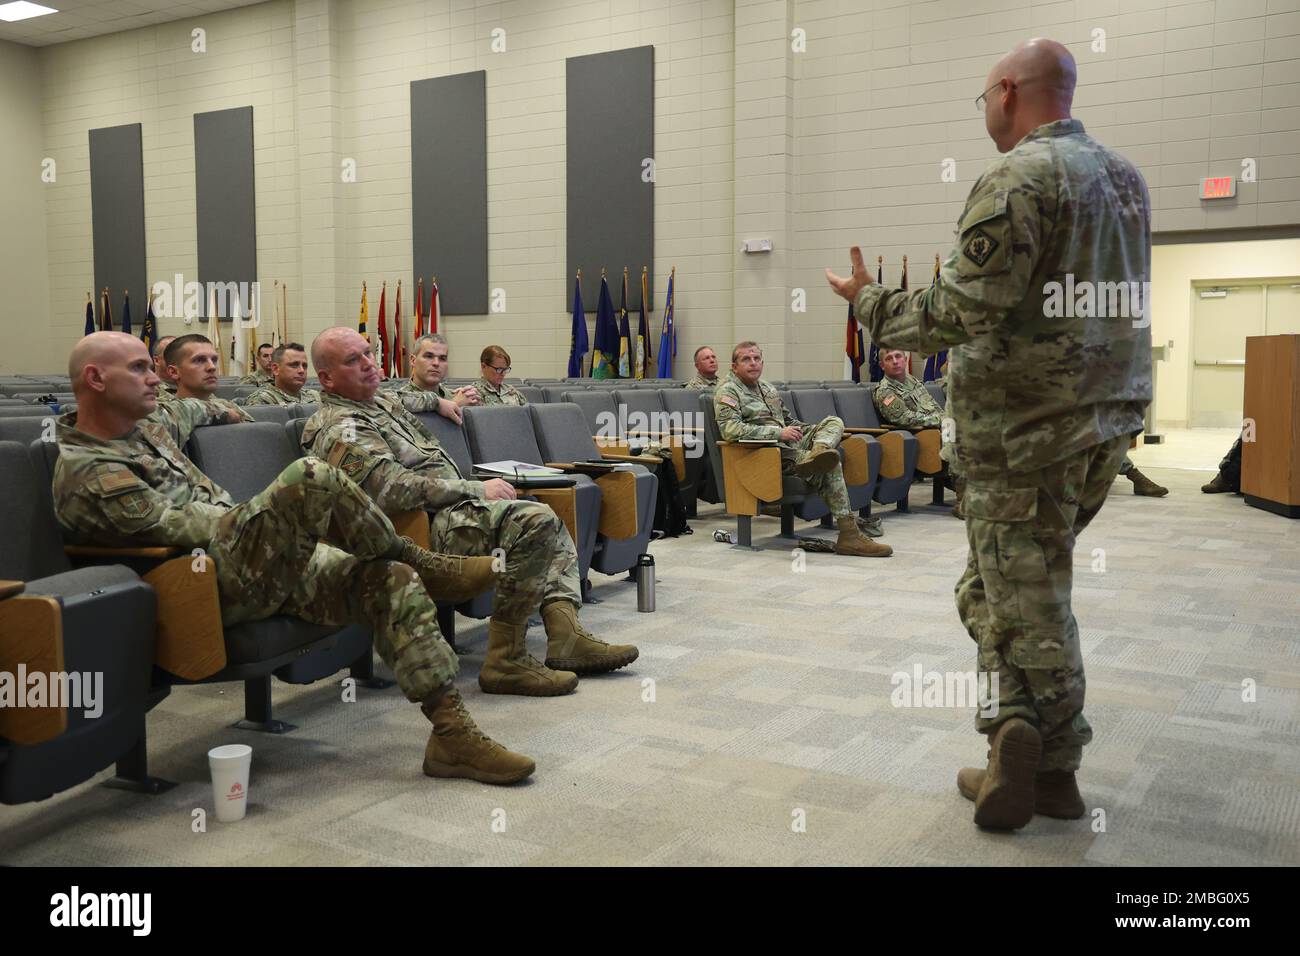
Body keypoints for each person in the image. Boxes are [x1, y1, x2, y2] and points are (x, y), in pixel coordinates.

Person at [826, 38, 1152, 829]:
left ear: (1007, 91)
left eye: (983, 100)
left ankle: (1056, 768)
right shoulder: (1125, 180)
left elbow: (959, 311)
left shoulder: (1018, 178)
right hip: (1103, 422)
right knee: (995, 588)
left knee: (1033, 600)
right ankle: (1013, 736)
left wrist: (869, 302)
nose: (986, 114)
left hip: (1026, 432)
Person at [53, 332, 533, 785]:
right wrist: (267, 511)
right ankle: (430, 564)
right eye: (139, 369)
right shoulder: (89, 472)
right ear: (95, 379)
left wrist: (227, 411)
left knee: (391, 577)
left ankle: (451, 736)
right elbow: (191, 529)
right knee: (308, 477)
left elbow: (195, 407)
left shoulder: (148, 428)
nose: (156, 377)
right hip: (198, 589)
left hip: (248, 566)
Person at [302, 327, 639, 697]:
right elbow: (391, 489)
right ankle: (506, 661)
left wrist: (442, 403)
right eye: (354, 360)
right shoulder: (342, 427)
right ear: (327, 378)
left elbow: (418, 399)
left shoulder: (380, 404)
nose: (369, 363)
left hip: (446, 507)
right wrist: (475, 488)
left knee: (542, 512)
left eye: (368, 353)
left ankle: (565, 635)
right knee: (532, 521)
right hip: (417, 528)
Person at [713, 342, 892, 558]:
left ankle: (819, 451)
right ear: (734, 366)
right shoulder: (727, 390)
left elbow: (788, 421)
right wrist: (779, 434)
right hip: (763, 454)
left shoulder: (767, 388)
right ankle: (849, 534)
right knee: (831, 465)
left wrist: (805, 431)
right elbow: (730, 430)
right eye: (746, 359)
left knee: (834, 422)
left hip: (787, 445)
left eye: (757, 358)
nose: (753, 363)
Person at [163, 334, 251, 422]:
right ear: (174, 372)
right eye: (199, 360)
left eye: (214, 360)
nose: (212, 367)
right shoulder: (161, 413)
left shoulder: (227, 405)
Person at [392, 333, 480, 420]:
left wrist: (473, 401)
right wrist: (455, 404)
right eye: (429, 356)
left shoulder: (455, 395)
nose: (436, 363)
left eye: (442, 358)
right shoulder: (397, 399)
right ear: (413, 360)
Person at [873, 349, 943, 429]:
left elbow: (932, 404)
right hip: (920, 434)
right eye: (889, 358)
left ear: (905, 360)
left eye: (898, 356)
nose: (895, 361)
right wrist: (939, 420)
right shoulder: (884, 392)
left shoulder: (913, 381)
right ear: (882, 365)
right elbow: (906, 419)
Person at [243, 342, 322, 405]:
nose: (301, 370)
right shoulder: (262, 399)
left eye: (304, 366)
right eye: (294, 365)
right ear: (276, 369)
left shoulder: (314, 395)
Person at [151, 335, 178, 401]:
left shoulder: (193, 386)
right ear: (156, 360)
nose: (178, 359)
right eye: (172, 355)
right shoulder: (148, 389)